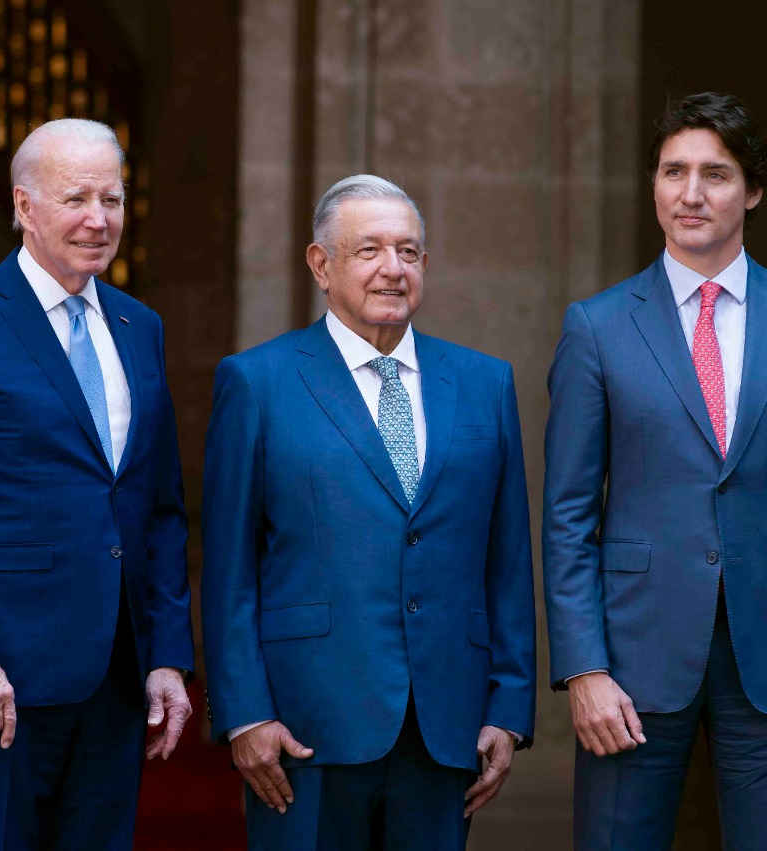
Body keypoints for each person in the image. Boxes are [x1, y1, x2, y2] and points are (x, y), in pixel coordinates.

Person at [542, 92, 767, 849]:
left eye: (715, 174)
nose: (691, 193)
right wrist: (583, 667)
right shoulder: (595, 327)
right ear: (655, 185)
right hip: (631, 662)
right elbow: (567, 515)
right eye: (674, 171)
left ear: (752, 191)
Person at [201, 175, 536, 850]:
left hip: (445, 727)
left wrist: (509, 706)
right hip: (304, 729)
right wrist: (244, 714)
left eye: (409, 252)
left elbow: (507, 562)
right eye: (370, 250)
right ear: (321, 264)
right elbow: (228, 567)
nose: (393, 268)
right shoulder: (257, 382)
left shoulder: (484, 383)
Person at [0, 118, 194, 851]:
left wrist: (169, 657)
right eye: (76, 198)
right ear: (24, 207)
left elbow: (161, 511)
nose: (99, 218)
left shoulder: (138, 324)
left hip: (116, 678)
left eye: (113, 199)